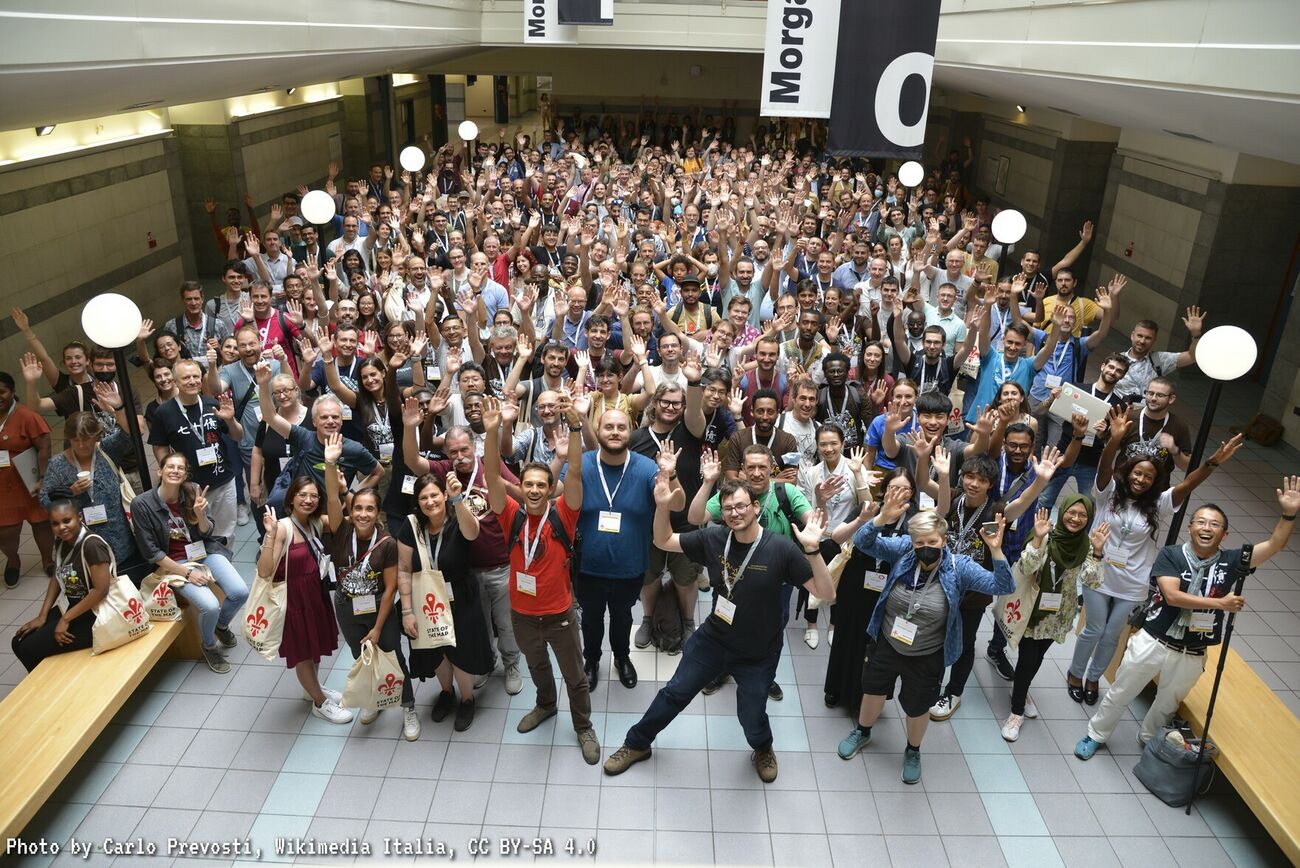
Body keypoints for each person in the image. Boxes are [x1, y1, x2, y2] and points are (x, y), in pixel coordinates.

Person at [603, 475, 834, 783]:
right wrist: (661, 507)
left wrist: (813, 549)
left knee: (751, 714)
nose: (734, 513)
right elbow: (663, 540)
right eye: (728, 508)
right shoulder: (714, 539)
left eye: (740, 506)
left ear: (755, 508)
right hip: (713, 639)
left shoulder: (780, 549)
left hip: (758, 651)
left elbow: (826, 593)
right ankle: (636, 743)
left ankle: (763, 748)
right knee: (674, 692)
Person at [1076, 478, 1299, 759]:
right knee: (1121, 691)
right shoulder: (1171, 555)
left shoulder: (1231, 561)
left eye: (1214, 524)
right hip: (1154, 639)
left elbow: (1275, 545)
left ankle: (1149, 741)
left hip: (1192, 649)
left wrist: (1289, 513)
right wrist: (1221, 603)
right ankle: (1095, 734)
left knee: (1167, 703)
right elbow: (1173, 596)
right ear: (1191, 527)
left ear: (1225, 534)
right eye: (1201, 522)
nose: (1207, 528)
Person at [836, 487, 1015, 784]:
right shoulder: (905, 549)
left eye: (932, 542)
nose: (925, 548)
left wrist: (996, 550)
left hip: (928, 654)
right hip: (888, 642)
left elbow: (1003, 585)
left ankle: (913, 749)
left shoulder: (960, 567)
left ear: (944, 541)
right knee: (873, 689)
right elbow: (864, 542)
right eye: (920, 542)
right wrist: (882, 517)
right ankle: (863, 731)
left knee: (918, 705)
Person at [1067, 413, 1242, 705]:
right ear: (1128, 472)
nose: (1141, 480)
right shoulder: (1107, 493)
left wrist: (1213, 461)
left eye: (1148, 477)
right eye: (1137, 473)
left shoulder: (1159, 504)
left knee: (1112, 634)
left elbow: (1189, 485)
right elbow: (1105, 465)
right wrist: (1115, 439)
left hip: (1133, 579)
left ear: (1154, 481)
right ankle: (1075, 673)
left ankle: (1094, 677)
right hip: (1099, 571)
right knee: (1094, 627)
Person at [481, 394, 602, 764]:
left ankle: (583, 726)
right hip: (522, 614)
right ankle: (546, 704)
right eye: (528, 484)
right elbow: (491, 476)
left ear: (550, 490)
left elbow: (577, 473)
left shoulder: (562, 516)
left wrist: (578, 427)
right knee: (537, 666)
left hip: (560, 615)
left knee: (575, 675)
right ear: (523, 486)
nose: (533, 490)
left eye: (540, 485)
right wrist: (490, 433)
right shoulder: (512, 515)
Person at [322, 437, 420, 741]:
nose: (363, 514)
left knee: (391, 656)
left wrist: (378, 628)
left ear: (377, 513)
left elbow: (390, 589)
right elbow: (331, 498)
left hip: (380, 610)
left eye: (369, 509)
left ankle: (408, 706)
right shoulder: (342, 530)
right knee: (361, 657)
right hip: (347, 607)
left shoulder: (387, 542)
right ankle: (374, 701)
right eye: (359, 508)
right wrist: (330, 464)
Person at [999, 501, 1109, 742]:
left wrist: (1099, 552)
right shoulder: (1045, 534)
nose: (1076, 518)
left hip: (1059, 613)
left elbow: (1092, 581)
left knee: (1037, 657)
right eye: (1071, 512)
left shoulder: (1086, 546)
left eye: (1082, 515)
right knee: (1028, 659)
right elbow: (1027, 566)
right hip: (1033, 609)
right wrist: (1037, 540)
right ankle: (1016, 712)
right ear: (1064, 513)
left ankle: (1022, 689)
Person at [574, 408, 667, 689]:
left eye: (621, 427)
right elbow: (560, 499)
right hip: (587, 566)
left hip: (630, 565)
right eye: (609, 427)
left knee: (623, 616)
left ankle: (622, 657)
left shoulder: (647, 468)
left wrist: (668, 477)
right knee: (590, 619)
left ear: (631, 431)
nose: (615, 432)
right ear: (597, 430)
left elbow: (673, 503)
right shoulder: (581, 464)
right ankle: (591, 659)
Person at [132, 454, 250, 674]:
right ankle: (209, 646)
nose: (175, 471)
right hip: (172, 564)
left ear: (185, 474)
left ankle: (220, 626)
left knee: (240, 592)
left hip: (203, 552)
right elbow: (152, 553)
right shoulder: (142, 504)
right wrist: (187, 573)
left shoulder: (192, 491)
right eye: (170, 467)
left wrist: (200, 515)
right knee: (210, 605)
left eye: (180, 468)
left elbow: (208, 531)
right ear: (160, 471)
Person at [395, 472, 489, 731]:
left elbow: (472, 533)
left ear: (444, 495)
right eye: (423, 497)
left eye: (435, 495)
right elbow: (403, 569)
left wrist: (458, 499)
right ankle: (446, 692)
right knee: (435, 649)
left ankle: (467, 699)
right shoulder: (411, 525)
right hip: (425, 598)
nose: (430, 501)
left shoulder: (459, 514)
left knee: (462, 651)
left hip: (460, 596)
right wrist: (406, 611)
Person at [823, 470, 919, 712]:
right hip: (857, 579)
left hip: (890, 588)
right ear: (884, 490)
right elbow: (836, 536)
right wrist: (861, 520)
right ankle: (835, 687)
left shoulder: (914, 520)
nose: (898, 493)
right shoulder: (870, 510)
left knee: (877, 645)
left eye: (904, 489)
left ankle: (868, 695)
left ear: (912, 494)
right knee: (847, 635)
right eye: (893, 487)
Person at [256, 475, 346, 720]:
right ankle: (319, 702)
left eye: (314, 496)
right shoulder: (283, 527)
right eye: (302, 495)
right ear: (292, 498)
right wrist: (270, 535)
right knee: (304, 653)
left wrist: (340, 492)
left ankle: (312, 688)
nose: (308, 500)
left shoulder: (314, 522)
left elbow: (341, 522)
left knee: (314, 646)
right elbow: (265, 571)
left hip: (314, 595)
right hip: (294, 602)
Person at [39, 411, 148, 583]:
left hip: (121, 539)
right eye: (75, 440)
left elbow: (130, 434)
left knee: (131, 590)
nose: (82, 445)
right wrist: (70, 493)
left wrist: (118, 408)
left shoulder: (107, 450)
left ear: (96, 436)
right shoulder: (58, 465)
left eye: (87, 438)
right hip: (83, 544)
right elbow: (45, 500)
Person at [796, 428, 875, 649]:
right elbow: (805, 505)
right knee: (811, 581)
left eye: (833, 443)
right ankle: (811, 624)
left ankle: (833, 625)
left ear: (842, 443)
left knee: (841, 582)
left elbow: (867, 506)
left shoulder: (853, 468)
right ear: (817, 446)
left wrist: (860, 474)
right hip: (818, 536)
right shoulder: (812, 472)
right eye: (823, 444)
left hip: (844, 537)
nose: (828, 449)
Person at [149, 359, 243, 543]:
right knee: (196, 534)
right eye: (185, 378)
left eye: (195, 377)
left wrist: (231, 420)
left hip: (224, 480)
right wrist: (170, 476)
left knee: (226, 533)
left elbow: (238, 436)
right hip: (190, 487)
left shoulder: (211, 404)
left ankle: (224, 565)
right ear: (175, 381)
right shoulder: (164, 412)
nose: (192, 381)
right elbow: (159, 446)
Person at [11, 501, 111, 670]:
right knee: (18, 641)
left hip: (95, 613)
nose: (62, 527)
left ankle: (45, 687)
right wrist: (42, 615)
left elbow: (101, 590)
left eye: (67, 521)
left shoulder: (92, 545)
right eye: (55, 524)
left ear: (79, 517)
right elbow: (57, 578)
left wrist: (65, 620)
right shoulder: (61, 542)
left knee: (28, 649)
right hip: (74, 606)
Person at [0, 369, 55, 586]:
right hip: (3, 488)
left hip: (28, 482)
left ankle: (47, 560)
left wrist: (42, 478)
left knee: (41, 524)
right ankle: (13, 561)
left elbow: (45, 447)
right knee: (5, 532)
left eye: (2, 392)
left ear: (12, 392)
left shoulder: (27, 416)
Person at [1112, 310, 1203, 402]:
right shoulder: (1117, 360)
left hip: (1146, 412)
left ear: (1154, 340)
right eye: (1139, 336)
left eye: (1148, 338)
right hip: (1116, 410)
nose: (1142, 341)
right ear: (1132, 336)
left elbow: (1192, 356)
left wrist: (1195, 334)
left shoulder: (1159, 359)